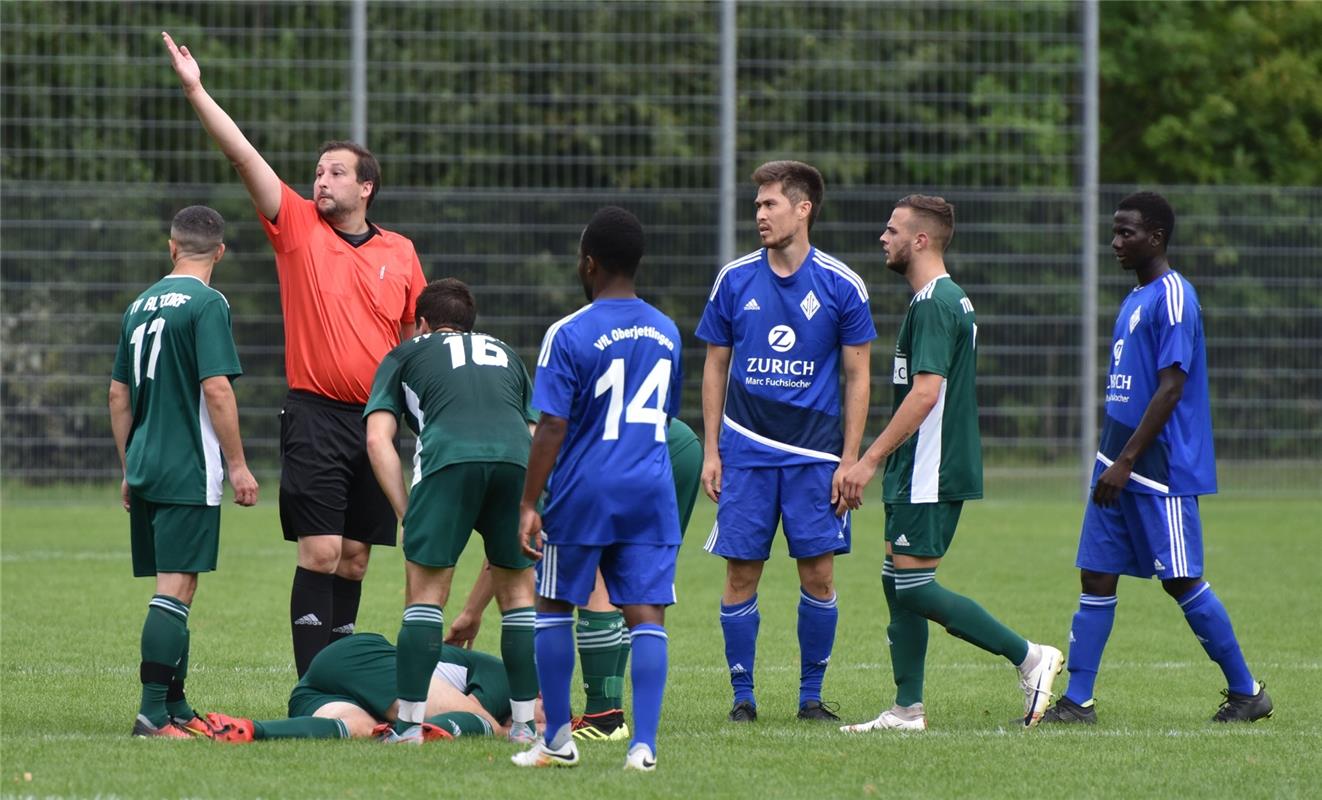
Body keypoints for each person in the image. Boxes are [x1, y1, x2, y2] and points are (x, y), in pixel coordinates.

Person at [163, 32, 428, 677]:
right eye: (317, 171)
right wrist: (198, 91)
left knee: (358, 558)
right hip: (313, 415)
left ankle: (341, 678)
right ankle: (313, 686)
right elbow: (244, 157)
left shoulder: (401, 251)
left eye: (336, 171)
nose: (321, 179)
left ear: (367, 187)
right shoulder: (299, 227)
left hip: (378, 425)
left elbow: (418, 342)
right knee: (320, 551)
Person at [1040, 192, 1272, 725]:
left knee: (1181, 579)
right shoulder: (1136, 297)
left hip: (1156, 467)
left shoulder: (1174, 297)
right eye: (1115, 232)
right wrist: (1111, 462)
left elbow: (1170, 388)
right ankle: (1078, 703)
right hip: (1115, 461)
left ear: (1157, 238)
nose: (1116, 242)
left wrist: (1126, 461)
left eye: (1127, 233)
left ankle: (1247, 692)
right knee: (1096, 575)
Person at [837, 195, 1062, 733]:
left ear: (921, 240)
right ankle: (906, 709)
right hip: (915, 467)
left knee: (914, 586)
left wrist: (867, 461)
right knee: (897, 583)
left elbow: (926, 394)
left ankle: (1030, 656)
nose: (882, 239)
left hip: (928, 468)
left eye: (892, 231)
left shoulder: (938, 301)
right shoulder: (934, 301)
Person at [694, 160, 874, 723]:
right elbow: (714, 366)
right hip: (745, 454)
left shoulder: (843, 285)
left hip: (816, 460)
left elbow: (858, 376)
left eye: (770, 204)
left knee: (818, 575)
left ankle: (810, 698)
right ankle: (742, 699)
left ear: (804, 209)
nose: (760, 215)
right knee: (740, 572)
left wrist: (850, 458)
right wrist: (711, 450)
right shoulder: (735, 278)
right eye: (756, 206)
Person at [511, 206, 682, 771]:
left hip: (586, 490)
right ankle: (644, 747)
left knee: (555, 604)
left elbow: (552, 424)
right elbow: (664, 415)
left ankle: (557, 740)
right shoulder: (667, 330)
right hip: (650, 489)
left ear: (589, 263)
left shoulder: (569, 331)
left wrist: (531, 500)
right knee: (646, 615)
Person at [445, 417, 702, 742]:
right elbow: (508, 549)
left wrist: (472, 611)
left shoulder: (519, 452)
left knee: (593, 572)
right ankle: (612, 713)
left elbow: (511, 548)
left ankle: (604, 717)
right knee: (631, 584)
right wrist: (472, 611)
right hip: (675, 443)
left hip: (630, 453)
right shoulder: (511, 425)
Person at [362, 278, 540, 743]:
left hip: (448, 459)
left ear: (422, 324)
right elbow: (533, 428)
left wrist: (406, 510)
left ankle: (407, 728)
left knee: (426, 597)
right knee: (519, 597)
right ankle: (523, 727)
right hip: (518, 461)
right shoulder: (506, 354)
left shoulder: (406, 353)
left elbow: (378, 439)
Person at [108, 205, 260, 737]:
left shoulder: (138, 305)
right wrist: (238, 465)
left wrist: (130, 466)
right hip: (188, 466)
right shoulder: (207, 302)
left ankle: (176, 706)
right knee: (176, 588)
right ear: (219, 251)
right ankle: (152, 712)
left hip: (147, 463)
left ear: (172, 247)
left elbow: (118, 393)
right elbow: (216, 388)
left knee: (176, 586)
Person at [204, 633, 540, 742]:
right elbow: (483, 719)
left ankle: (249, 730)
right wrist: (530, 730)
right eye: (548, 713)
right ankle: (425, 727)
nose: (545, 719)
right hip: (361, 657)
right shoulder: (509, 676)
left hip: (322, 691)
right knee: (485, 725)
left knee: (364, 729)